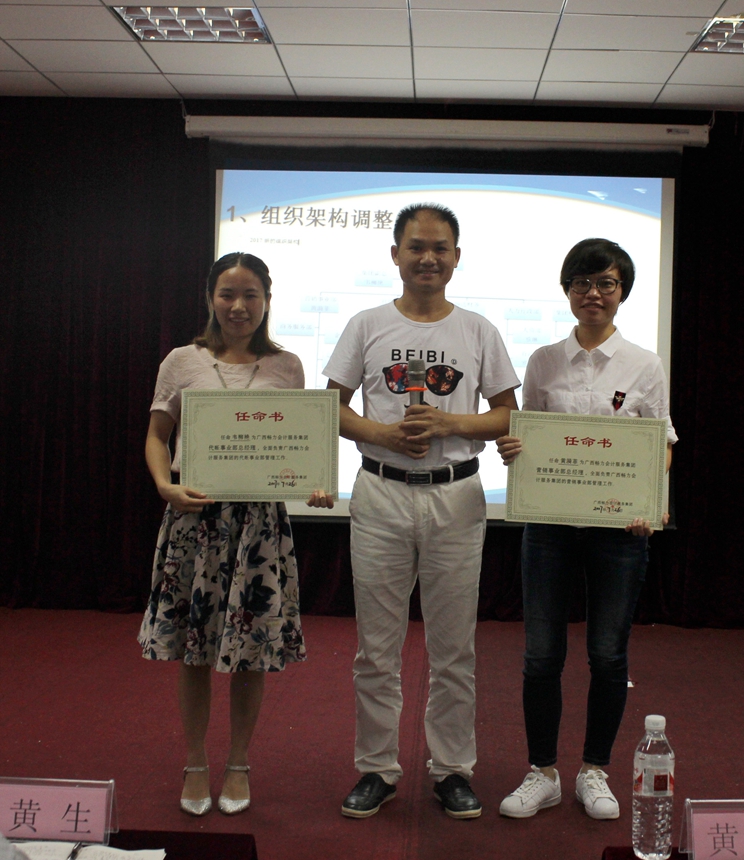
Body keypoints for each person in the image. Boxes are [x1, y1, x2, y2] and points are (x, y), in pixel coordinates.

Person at [324, 204, 519, 820]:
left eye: (440, 248)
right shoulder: (366, 324)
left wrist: (450, 424)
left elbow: (507, 414)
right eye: (416, 247)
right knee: (375, 649)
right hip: (380, 492)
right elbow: (330, 407)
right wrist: (382, 434)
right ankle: (376, 769)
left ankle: (452, 769)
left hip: (456, 496)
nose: (428, 258)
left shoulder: (478, 330)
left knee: (453, 647)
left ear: (457, 257)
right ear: (395, 255)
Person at [138, 252, 332, 817]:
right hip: (195, 519)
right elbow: (157, 436)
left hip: (260, 528)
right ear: (210, 298)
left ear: (267, 300)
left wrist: (315, 483)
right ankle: (196, 760)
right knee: (194, 648)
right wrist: (164, 485)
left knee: (251, 650)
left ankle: (240, 761)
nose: (238, 306)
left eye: (251, 295)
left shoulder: (287, 366)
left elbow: (299, 444)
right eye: (227, 294)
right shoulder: (182, 361)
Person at [497, 238, 677, 821]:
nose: (592, 293)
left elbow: (661, 444)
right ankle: (543, 772)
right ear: (567, 290)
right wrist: (515, 449)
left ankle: (594, 770)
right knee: (541, 654)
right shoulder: (543, 360)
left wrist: (649, 499)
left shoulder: (645, 364)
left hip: (618, 532)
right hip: (549, 525)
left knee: (608, 654)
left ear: (622, 292)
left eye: (605, 283)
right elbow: (531, 434)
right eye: (581, 283)